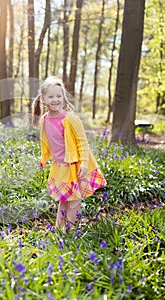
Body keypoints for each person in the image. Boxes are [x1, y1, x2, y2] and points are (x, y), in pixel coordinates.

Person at [32, 76, 106, 231]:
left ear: (63, 98)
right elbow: (46, 142)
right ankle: (59, 228)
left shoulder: (71, 119)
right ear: (44, 99)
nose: (55, 100)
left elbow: (82, 143)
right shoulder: (44, 120)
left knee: (74, 200)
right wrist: (44, 158)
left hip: (75, 164)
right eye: (51, 96)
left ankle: (71, 230)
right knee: (63, 199)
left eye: (59, 96)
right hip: (60, 166)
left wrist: (84, 164)